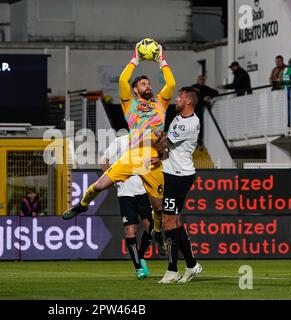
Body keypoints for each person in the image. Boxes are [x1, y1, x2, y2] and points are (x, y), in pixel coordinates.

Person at [62, 41, 176, 280]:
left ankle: (156, 231)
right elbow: (123, 81)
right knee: (100, 185)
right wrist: (135, 58)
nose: (148, 86)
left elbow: (172, 83)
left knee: (158, 208)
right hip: (133, 156)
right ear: (135, 90)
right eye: (143, 83)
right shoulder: (130, 103)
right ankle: (81, 206)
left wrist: (161, 60)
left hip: (152, 159)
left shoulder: (161, 102)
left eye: (149, 83)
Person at [101, 134, 166, 279]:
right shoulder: (120, 141)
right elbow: (103, 160)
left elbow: (161, 155)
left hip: (144, 190)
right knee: (130, 230)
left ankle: (142, 255)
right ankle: (138, 268)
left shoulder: (149, 141)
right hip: (125, 193)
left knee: (150, 226)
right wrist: (113, 179)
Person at [157, 87, 203, 284]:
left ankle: (172, 270)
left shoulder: (189, 124)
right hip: (174, 174)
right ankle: (192, 265)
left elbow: (163, 144)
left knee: (169, 223)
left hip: (179, 176)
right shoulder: (178, 118)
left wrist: (151, 137)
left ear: (189, 102)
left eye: (180, 97)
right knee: (174, 223)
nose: (177, 99)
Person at [191, 75, 219, 147]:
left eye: (202, 80)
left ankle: (199, 141)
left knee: (199, 125)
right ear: (197, 80)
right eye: (200, 79)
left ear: (204, 81)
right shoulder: (193, 87)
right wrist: (202, 98)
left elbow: (216, 92)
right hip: (192, 108)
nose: (201, 81)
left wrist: (209, 97)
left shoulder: (205, 88)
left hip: (200, 109)